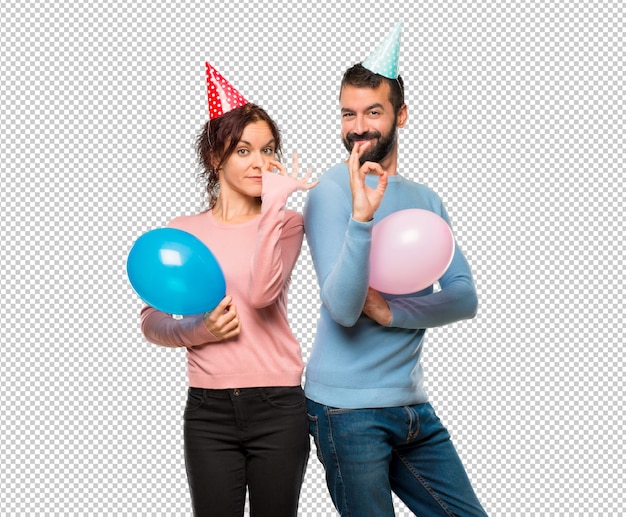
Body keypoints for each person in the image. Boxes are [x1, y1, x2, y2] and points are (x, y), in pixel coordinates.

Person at [303, 23, 489, 517]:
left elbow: (464, 296)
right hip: (346, 410)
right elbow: (343, 309)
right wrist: (362, 219)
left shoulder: (426, 200)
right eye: (348, 113)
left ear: (400, 115)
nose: (358, 126)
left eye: (373, 112)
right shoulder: (329, 192)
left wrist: (389, 312)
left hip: (412, 406)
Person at [140, 63, 316, 517]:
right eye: (243, 150)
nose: (260, 162)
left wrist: (276, 203)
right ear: (216, 158)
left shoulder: (287, 223)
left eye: (268, 150)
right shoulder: (182, 234)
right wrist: (201, 330)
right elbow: (152, 322)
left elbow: (260, 294)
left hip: (278, 405)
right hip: (208, 410)